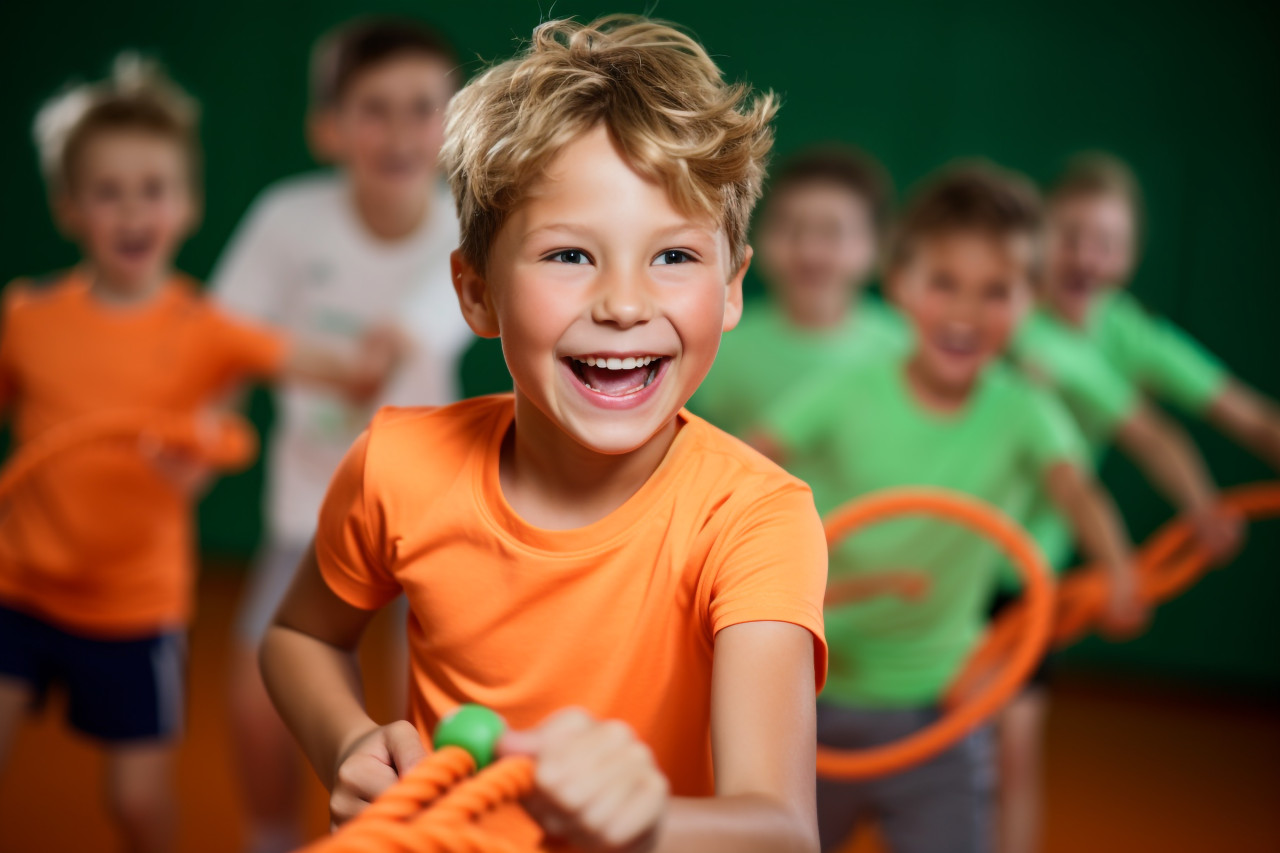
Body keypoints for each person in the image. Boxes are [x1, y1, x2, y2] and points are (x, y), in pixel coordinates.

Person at [261, 16, 829, 853]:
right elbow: (299, 636)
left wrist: (645, 824)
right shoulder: (397, 461)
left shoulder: (757, 520)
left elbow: (781, 829)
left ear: (734, 286)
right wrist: (346, 742)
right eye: (569, 256)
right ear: (476, 292)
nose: (625, 304)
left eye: (674, 257)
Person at [0, 57, 394, 853]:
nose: (132, 210)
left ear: (187, 204)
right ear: (69, 207)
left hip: (135, 610)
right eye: (108, 192)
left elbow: (304, 356)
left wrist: (368, 353)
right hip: (18, 586)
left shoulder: (205, 329)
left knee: (138, 802)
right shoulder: (26, 319)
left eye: (154, 189)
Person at [753, 163, 1145, 853]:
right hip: (811, 697)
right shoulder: (845, 389)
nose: (966, 311)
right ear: (901, 283)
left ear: (1032, 300)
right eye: (945, 283)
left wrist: (1118, 568)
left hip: (946, 705)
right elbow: (748, 462)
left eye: (997, 290)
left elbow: (1076, 489)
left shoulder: (1026, 410)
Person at [209, 18, 471, 852]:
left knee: (426, 711)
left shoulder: (466, 227)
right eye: (374, 109)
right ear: (329, 126)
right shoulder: (288, 219)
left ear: (454, 125)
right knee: (262, 683)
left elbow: (418, 330)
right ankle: (271, 832)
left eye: (422, 108)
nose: (398, 132)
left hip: (431, 507)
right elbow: (220, 343)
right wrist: (197, 421)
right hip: (312, 511)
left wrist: (376, 352)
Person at [998, 152, 1257, 853]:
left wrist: (1202, 507)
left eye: (1105, 241)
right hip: (945, 560)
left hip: (1026, 574)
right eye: (1069, 234)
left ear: (1133, 255)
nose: (1085, 255)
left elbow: (1234, 416)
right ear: (1038, 241)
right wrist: (1201, 505)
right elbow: (1146, 430)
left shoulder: (1126, 332)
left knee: (1013, 753)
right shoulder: (1010, 318)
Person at [691, 144, 905, 445]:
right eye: (789, 228)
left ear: (878, 246)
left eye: (832, 232)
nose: (809, 252)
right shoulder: (715, 345)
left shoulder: (907, 349)